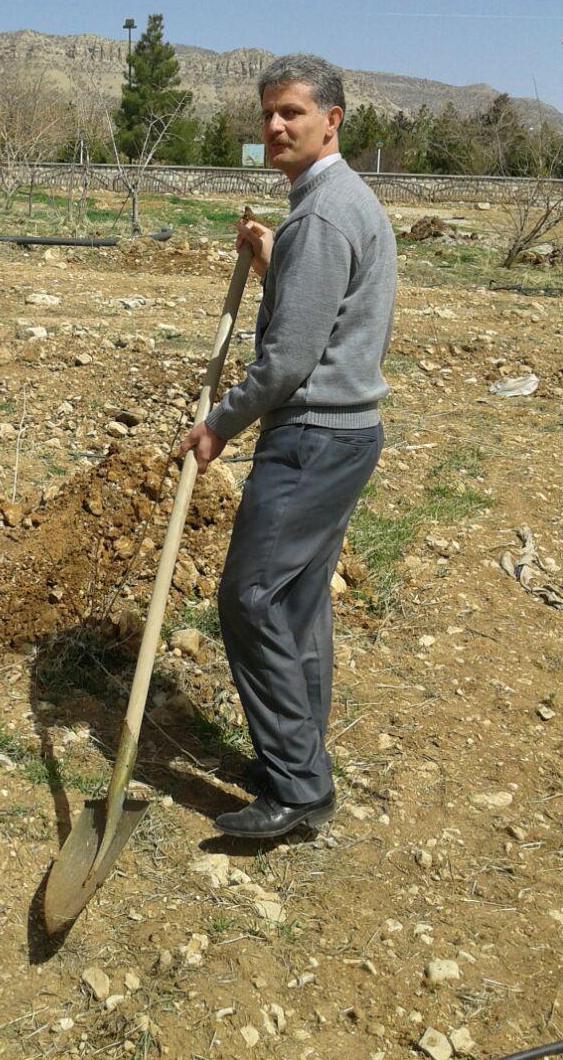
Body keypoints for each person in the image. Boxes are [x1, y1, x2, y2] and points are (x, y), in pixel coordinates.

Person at [180, 54, 396, 839]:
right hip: (346, 435)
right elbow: (323, 314)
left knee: (248, 598)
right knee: (298, 608)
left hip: (309, 437)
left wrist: (216, 427)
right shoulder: (336, 204)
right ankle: (294, 760)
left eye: (292, 114)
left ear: (331, 121)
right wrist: (277, 268)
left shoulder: (323, 214)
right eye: (268, 113)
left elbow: (289, 362)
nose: (275, 126)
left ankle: (299, 788)